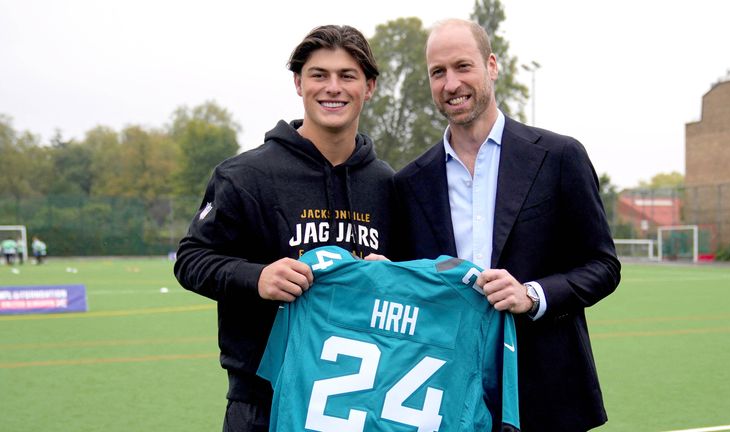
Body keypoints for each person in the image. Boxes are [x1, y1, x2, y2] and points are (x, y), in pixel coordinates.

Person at [393, 19, 621, 431]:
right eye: (438, 72)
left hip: (547, 392)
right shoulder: (409, 182)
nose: (451, 84)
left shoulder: (559, 156)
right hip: (445, 393)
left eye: (463, 66)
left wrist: (532, 295)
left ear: (492, 66)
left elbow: (603, 266)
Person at [173, 24, 398, 432]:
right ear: (298, 83)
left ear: (369, 87)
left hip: (362, 400)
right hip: (263, 402)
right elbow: (190, 260)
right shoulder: (246, 174)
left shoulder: (386, 184)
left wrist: (391, 274)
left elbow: (406, 282)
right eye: (319, 75)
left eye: (347, 76)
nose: (333, 88)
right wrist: (257, 277)